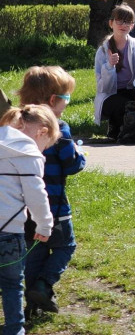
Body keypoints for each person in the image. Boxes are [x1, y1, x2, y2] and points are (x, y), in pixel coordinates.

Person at [17, 67, 85, 317]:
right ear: (52, 101)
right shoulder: (60, 128)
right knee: (66, 246)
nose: (67, 103)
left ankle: (33, 302)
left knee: (34, 251)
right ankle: (44, 285)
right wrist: (79, 153)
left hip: (24, 209)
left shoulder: (17, 127)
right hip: (54, 207)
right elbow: (72, 164)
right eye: (66, 98)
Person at [0, 105, 57, 335]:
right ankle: (14, 330)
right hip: (9, 233)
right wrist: (44, 224)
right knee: (12, 284)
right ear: (41, 132)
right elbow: (36, 195)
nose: (43, 151)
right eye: (46, 145)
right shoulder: (28, 153)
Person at [93, 4, 135, 140]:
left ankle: (132, 130)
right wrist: (109, 66)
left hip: (133, 89)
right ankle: (116, 127)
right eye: (119, 20)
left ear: (132, 26)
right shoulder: (103, 50)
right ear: (111, 23)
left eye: (127, 21)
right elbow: (103, 86)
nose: (123, 25)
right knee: (124, 105)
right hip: (112, 93)